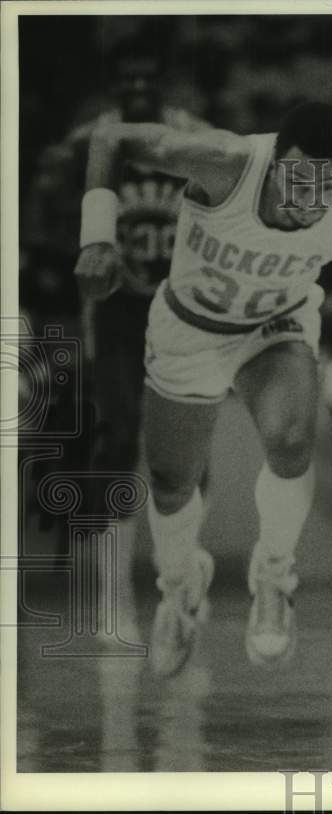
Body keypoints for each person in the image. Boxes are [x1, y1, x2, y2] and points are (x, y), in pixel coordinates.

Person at [74, 101, 332, 676]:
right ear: (275, 163)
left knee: (292, 440)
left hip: (275, 329)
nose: (312, 200)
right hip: (190, 329)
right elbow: (109, 137)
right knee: (172, 482)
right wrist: (97, 236)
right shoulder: (225, 161)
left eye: (329, 185)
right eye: (300, 181)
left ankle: (274, 578)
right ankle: (179, 586)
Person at [24, 40, 209, 638]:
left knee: (187, 448)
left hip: (180, 307)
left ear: (163, 81)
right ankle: (111, 598)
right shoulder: (91, 141)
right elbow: (44, 197)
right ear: (112, 89)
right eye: (125, 78)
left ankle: (179, 579)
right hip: (117, 312)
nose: (137, 87)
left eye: (146, 76)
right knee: (120, 435)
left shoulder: (190, 134)